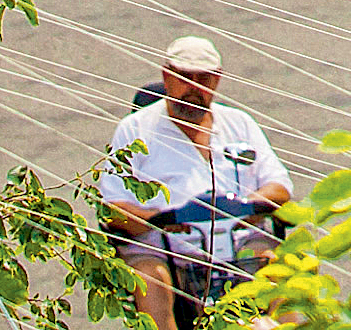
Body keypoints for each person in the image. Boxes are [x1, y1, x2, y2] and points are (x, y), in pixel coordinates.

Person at [97, 36, 291, 328]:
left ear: (217, 80)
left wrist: (248, 207)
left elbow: (280, 187)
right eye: (185, 78)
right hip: (164, 248)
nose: (194, 89)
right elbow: (112, 207)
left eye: (204, 79)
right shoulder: (135, 130)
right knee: (151, 280)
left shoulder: (240, 124)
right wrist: (158, 219)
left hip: (239, 242)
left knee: (282, 269)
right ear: (167, 77)